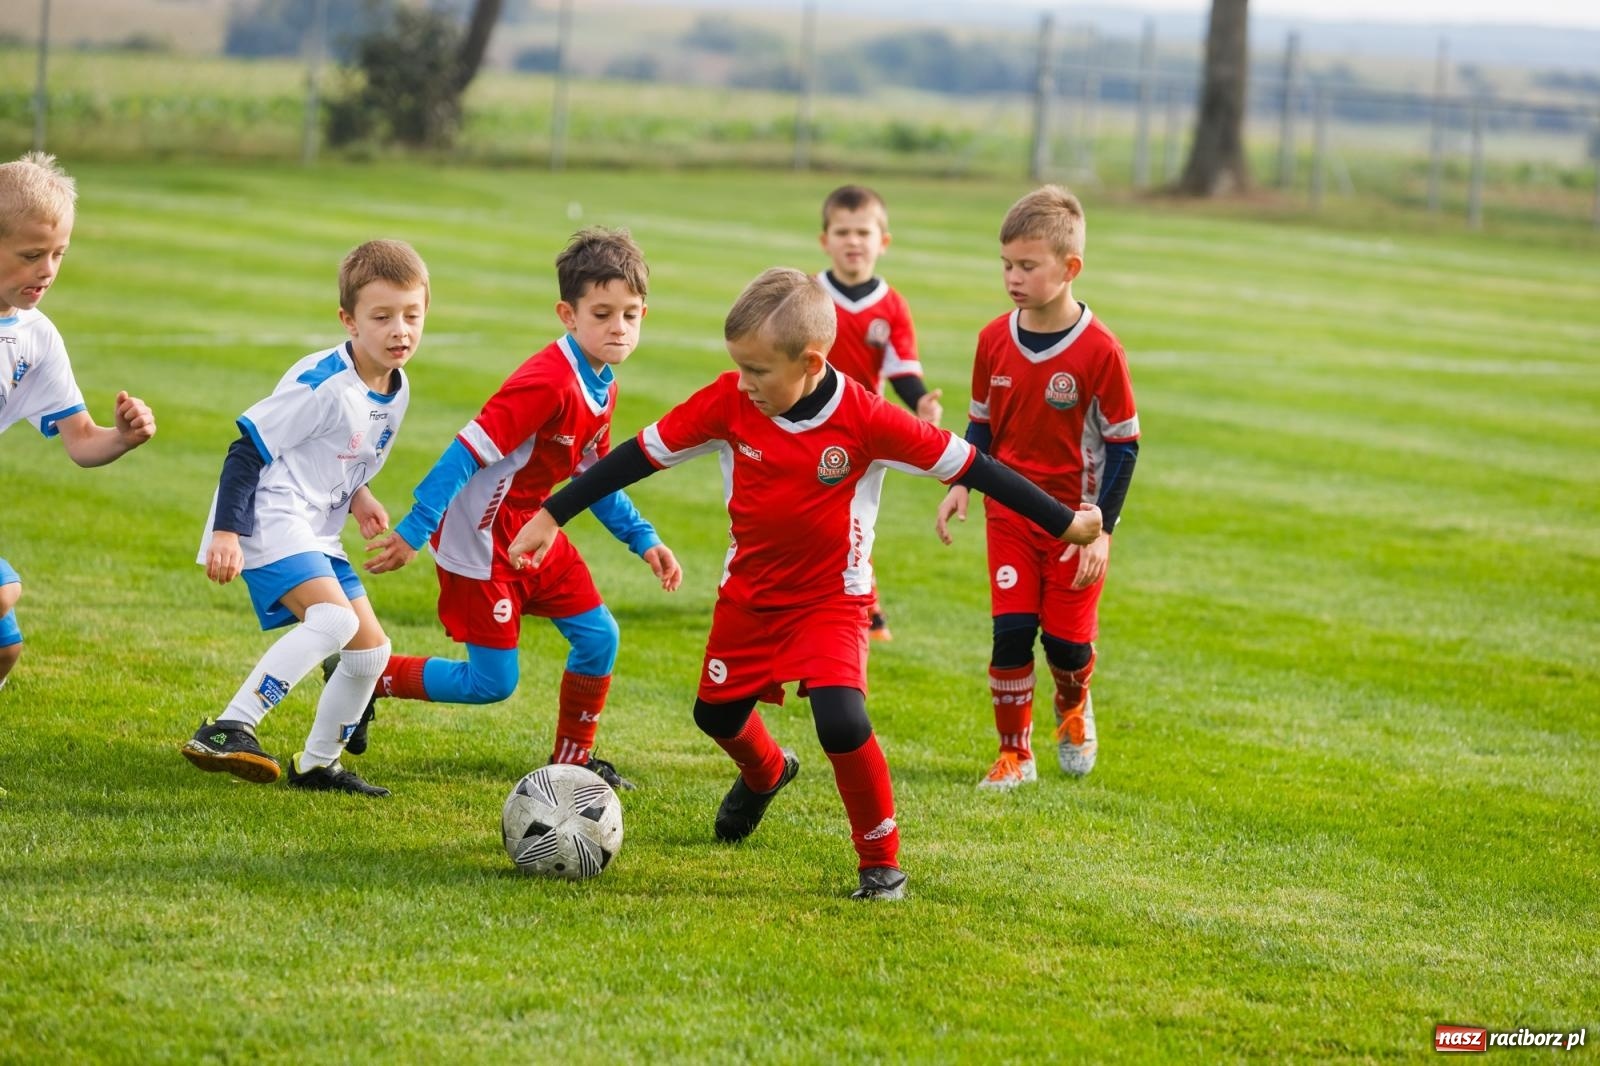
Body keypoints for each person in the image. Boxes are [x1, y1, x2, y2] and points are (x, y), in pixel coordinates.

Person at [507, 268, 1102, 900]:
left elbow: (975, 464)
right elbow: (636, 456)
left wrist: (1066, 524)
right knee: (715, 714)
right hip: (750, 595)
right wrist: (552, 513)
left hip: (833, 599)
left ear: (812, 362)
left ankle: (881, 863)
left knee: (841, 719)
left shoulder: (868, 420)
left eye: (759, 371)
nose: (744, 383)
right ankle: (766, 772)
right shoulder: (729, 403)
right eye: (739, 367)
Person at [361, 227, 680, 791]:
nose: (618, 328)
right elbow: (464, 452)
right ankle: (366, 677)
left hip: (535, 527)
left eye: (630, 315)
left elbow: (593, 477)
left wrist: (644, 539)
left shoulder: (602, 382)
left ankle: (572, 764)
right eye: (602, 313)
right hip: (481, 537)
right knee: (492, 683)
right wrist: (416, 528)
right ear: (568, 314)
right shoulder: (547, 382)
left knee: (599, 637)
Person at [181, 239, 430, 797]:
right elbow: (247, 450)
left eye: (412, 316)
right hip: (269, 517)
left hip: (317, 526)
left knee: (371, 651)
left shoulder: (396, 381)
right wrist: (227, 533)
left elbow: (341, 448)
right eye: (382, 317)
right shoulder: (322, 385)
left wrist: (359, 494)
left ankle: (317, 765)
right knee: (336, 623)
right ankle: (230, 726)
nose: (400, 331)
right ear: (349, 320)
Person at [935, 185, 1140, 790]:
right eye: (1006, 265)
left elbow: (1125, 446)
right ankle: (1014, 755)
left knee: (1068, 648)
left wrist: (1101, 530)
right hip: (1010, 517)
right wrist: (961, 485)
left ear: (1069, 267)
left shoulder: (1101, 350)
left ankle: (1074, 705)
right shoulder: (993, 339)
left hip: (1076, 523)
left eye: (1028, 266)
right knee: (1012, 634)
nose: (1012, 278)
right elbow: (981, 424)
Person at [0, 152, 157, 695]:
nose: (46, 269)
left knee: (5, 648)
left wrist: (123, 437)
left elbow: (82, 440)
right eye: (30, 254)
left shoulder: (36, 337)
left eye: (58, 254)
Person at [814, 184, 941, 642]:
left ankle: (867, 606)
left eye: (863, 232)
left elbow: (903, 370)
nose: (853, 241)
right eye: (843, 231)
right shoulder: (808, 295)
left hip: (860, 430)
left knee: (853, 520)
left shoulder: (891, 306)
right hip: (805, 423)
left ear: (882, 241)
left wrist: (922, 402)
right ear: (824, 240)